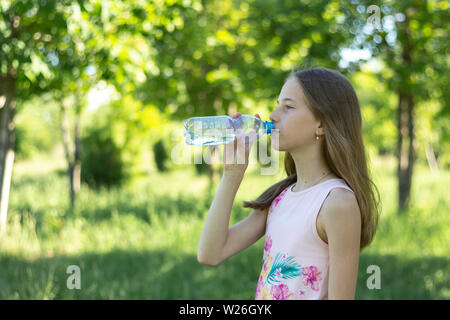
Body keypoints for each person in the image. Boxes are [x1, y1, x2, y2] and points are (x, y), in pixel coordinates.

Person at [197, 67, 381, 300]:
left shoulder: (337, 204)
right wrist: (231, 175)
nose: (273, 116)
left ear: (322, 125)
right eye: (277, 105)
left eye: (288, 107)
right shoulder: (281, 197)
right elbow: (210, 253)